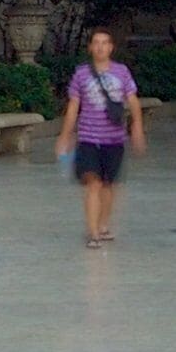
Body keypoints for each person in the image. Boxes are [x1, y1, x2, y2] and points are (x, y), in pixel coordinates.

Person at [57, 28, 147, 248]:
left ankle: (103, 224)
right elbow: (73, 106)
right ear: (90, 47)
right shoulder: (81, 74)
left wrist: (137, 128)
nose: (100, 47)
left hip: (114, 140)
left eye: (105, 42)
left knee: (108, 186)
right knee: (93, 184)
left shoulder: (122, 72)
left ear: (111, 47)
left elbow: (133, 100)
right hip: (88, 138)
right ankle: (93, 232)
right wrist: (65, 135)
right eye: (96, 43)